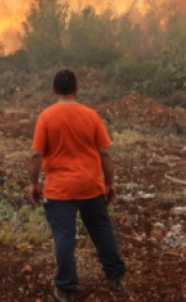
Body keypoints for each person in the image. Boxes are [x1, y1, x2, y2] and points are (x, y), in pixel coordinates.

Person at [28, 69, 126, 301]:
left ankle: (66, 288)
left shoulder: (46, 117)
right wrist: (109, 183)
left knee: (64, 237)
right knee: (101, 230)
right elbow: (104, 152)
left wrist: (33, 184)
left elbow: (35, 155)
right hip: (90, 186)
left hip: (59, 190)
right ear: (76, 89)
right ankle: (116, 278)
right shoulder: (91, 115)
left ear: (54, 89)